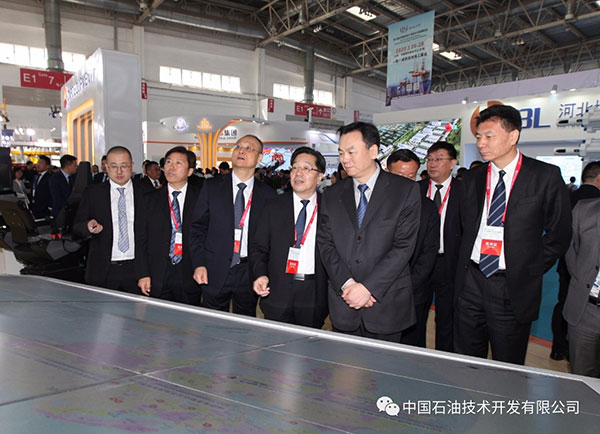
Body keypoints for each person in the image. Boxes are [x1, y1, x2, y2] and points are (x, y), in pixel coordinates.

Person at [454, 104, 572, 365]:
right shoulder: (472, 178)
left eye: (489, 136)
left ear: (513, 136)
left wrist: (529, 267)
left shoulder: (544, 176)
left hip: (511, 285)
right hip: (471, 281)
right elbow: (463, 228)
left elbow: (560, 232)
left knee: (507, 365)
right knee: (466, 362)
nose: (481, 143)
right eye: (478, 136)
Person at [317, 122, 421, 342]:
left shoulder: (404, 190)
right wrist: (347, 284)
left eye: (351, 152)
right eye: (341, 153)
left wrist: (368, 288)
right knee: (345, 364)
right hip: (344, 301)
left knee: (383, 364)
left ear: (373, 151)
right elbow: (325, 244)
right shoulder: (332, 194)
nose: (345, 159)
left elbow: (403, 246)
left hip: (386, 303)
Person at [190, 135, 276, 316]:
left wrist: (263, 272)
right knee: (211, 322)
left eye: (248, 148)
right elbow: (197, 228)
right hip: (214, 268)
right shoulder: (211, 187)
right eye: (238, 147)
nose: (241, 150)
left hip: (249, 270)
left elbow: (270, 239)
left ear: (260, 157)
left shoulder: (268, 195)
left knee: (244, 323)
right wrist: (199, 264)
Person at [250, 147, 329, 328]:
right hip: (278, 289)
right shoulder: (273, 206)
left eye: (306, 168)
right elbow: (259, 247)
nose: (298, 173)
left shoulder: (330, 208)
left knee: (309, 343)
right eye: (294, 167)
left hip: (314, 292)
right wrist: (260, 274)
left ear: (319, 176)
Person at [73, 146, 145, 294]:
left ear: (132, 166)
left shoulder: (146, 193)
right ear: (106, 167)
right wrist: (88, 226)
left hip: (137, 269)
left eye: (124, 166)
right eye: (114, 166)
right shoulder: (93, 193)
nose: (119, 171)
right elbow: (77, 228)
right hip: (103, 269)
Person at [387, 149, 440, 347]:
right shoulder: (373, 204)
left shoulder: (427, 207)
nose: (406, 182)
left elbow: (429, 253)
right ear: (387, 173)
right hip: (376, 291)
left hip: (413, 292)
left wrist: (408, 285)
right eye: (400, 176)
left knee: (412, 344)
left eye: (411, 176)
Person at [136, 147, 202, 304]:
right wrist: (143, 273)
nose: (171, 167)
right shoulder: (149, 199)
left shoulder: (201, 199)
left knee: (188, 317)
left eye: (178, 163)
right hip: (157, 273)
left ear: (190, 171)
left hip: (190, 272)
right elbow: (141, 239)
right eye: (168, 162)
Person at [551, 160, 600, 360]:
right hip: (583, 281)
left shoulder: (568, 197)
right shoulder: (588, 206)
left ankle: (558, 347)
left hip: (570, 271)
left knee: (563, 302)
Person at [419, 141, 464, 352]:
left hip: (449, 263)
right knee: (417, 313)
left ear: (453, 163)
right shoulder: (416, 190)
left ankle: (444, 358)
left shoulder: (464, 191)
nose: (432, 164)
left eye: (438, 159)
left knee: (447, 317)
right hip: (420, 263)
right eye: (429, 159)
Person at [564, 197, 600, 378]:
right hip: (586, 311)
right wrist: (582, 281)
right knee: (582, 380)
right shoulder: (584, 210)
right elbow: (570, 250)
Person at [49, 154, 78, 218]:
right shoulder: (55, 179)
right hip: (60, 214)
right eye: (75, 165)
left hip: (71, 214)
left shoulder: (74, 178)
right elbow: (57, 199)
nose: (76, 167)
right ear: (68, 166)